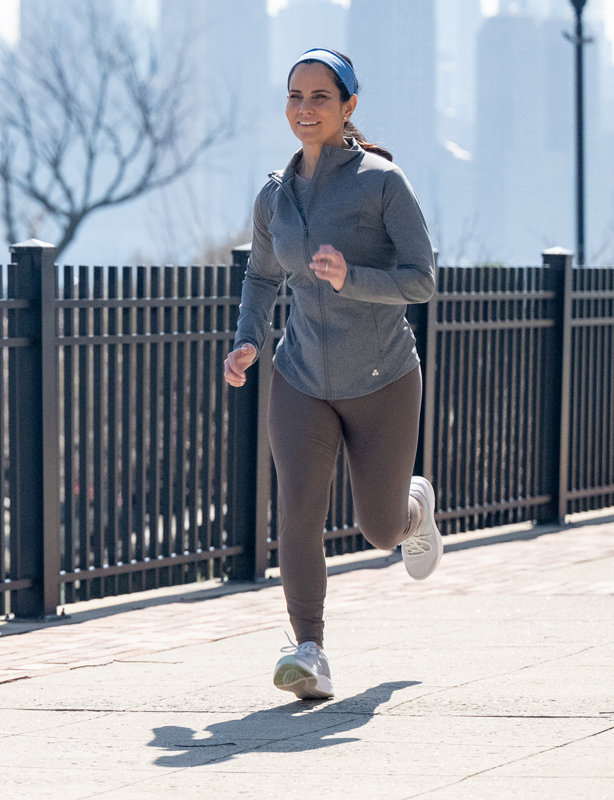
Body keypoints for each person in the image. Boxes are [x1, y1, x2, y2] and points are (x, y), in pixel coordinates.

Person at [223, 49, 442, 700]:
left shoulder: (381, 183)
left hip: (382, 378)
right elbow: (262, 277)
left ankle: (416, 507)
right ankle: (309, 651)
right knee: (298, 512)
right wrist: (246, 343)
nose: (305, 108)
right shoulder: (274, 197)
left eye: (320, 96)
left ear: (348, 108)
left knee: (379, 531)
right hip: (300, 377)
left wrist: (355, 279)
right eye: (295, 96)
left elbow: (422, 280)